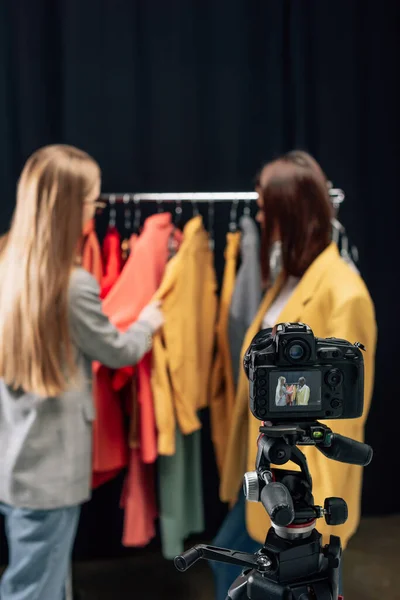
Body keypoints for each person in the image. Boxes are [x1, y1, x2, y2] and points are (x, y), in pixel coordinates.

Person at [0, 145, 164, 600]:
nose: (96, 209)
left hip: (16, 461)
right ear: (70, 206)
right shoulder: (72, 286)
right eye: (93, 199)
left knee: (44, 578)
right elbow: (117, 351)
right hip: (48, 475)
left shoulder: (8, 266)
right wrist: (148, 322)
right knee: (33, 587)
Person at [212, 151, 376, 600]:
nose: (259, 216)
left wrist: (304, 507)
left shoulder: (344, 292)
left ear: (290, 210)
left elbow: (341, 406)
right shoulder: (288, 277)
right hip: (271, 467)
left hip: (302, 485)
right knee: (233, 565)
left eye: (266, 206)